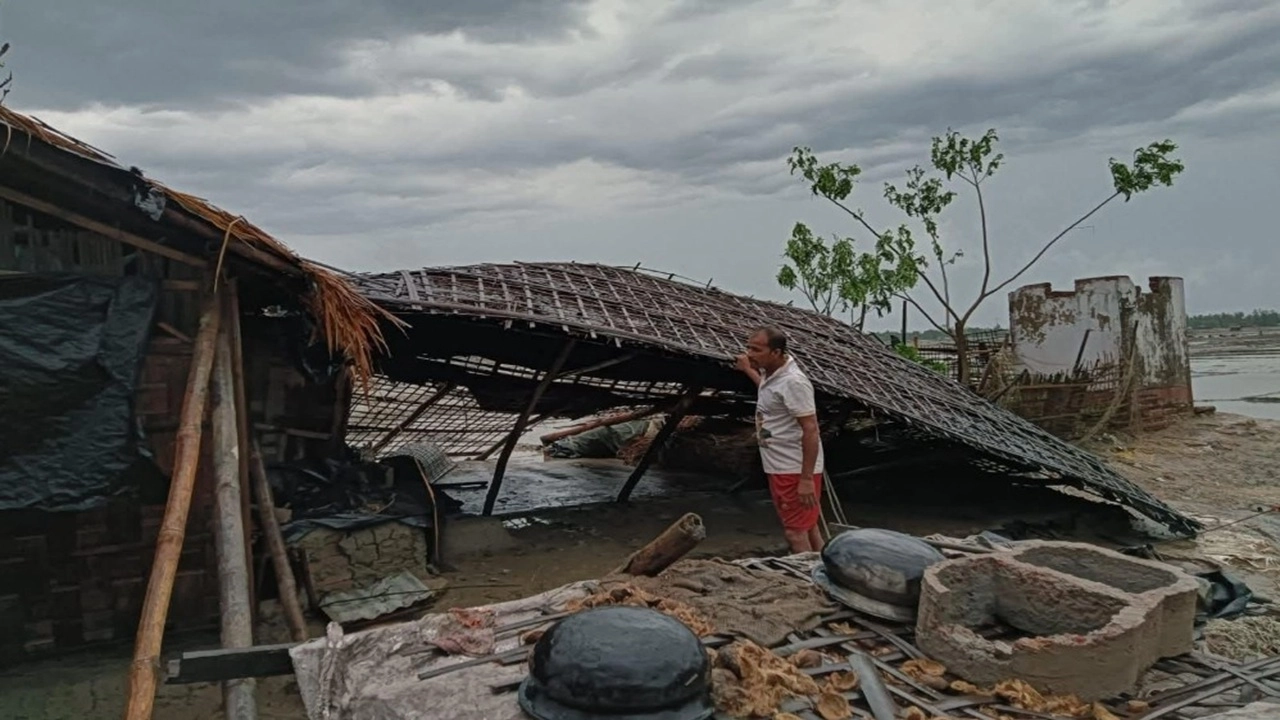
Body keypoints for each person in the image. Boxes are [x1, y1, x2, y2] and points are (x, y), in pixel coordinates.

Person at [735, 326, 826, 554]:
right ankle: (823, 571)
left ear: (776, 352)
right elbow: (770, 395)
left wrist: (805, 479)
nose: (749, 353)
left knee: (795, 532)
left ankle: (808, 582)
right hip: (782, 465)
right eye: (748, 347)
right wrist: (749, 370)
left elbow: (811, 429)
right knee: (808, 525)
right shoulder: (771, 374)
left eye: (756, 349)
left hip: (793, 469)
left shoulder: (794, 382)